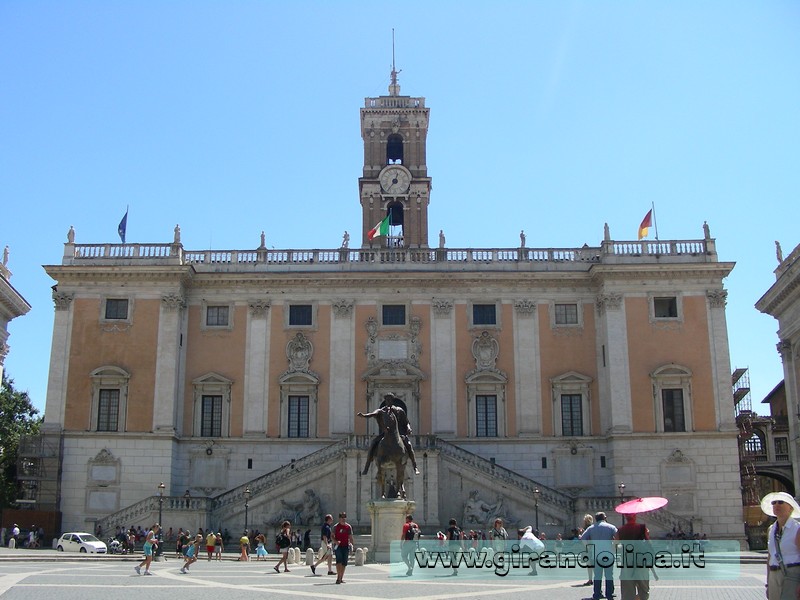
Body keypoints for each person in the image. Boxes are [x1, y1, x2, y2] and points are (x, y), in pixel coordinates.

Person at [358, 393, 420, 475]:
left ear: (392, 401)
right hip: (385, 433)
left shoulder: (399, 410)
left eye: (390, 400)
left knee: (408, 445)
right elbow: (372, 414)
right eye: (387, 400)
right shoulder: (381, 411)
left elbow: (406, 422)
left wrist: (409, 428)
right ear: (385, 401)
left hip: (400, 433)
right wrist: (363, 415)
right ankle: (367, 467)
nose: (388, 401)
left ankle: (415, 466)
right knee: (373, 443)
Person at [763, 491, 800, 600]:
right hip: (774, 575)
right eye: (774, 503)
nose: (776, 505)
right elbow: (770, 557)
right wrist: (768, 583)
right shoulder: (771, 529)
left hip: (793, 575)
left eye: (781, 502)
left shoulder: (797, 529)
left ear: (791, 508)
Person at [580, 512, 618, 600]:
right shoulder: (611, 527)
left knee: (597, 575)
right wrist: (614, 546)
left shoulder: (591, 528)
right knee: (609, 575)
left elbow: (583, 538)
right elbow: (617, 537)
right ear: (604, 518)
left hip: (596, 554)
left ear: (596, 519)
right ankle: (609, 594)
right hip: (608, 554)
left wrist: (588, 547)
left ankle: (597, 594)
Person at [616, 513, 650, 600]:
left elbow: (615, 547)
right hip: (641, 562)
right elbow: (648, 545)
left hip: (627, 563)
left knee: (627, 592)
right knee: (643, 590)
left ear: (626, 518)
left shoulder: (620, 530)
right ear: (635, 517)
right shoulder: (642, 528)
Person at [332, 512, 354, 584]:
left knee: (344, 563)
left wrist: (352, 545)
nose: (343, 519)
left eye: (344, 517)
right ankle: (338, 577)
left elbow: (350, 537)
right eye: (342, 517)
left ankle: (341, 577)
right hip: (338, 546)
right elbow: (332, 536)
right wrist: (335, 541)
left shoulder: (348, 527)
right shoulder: (335, 527)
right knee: (339, 561)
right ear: (339, 518)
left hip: (346, 546)